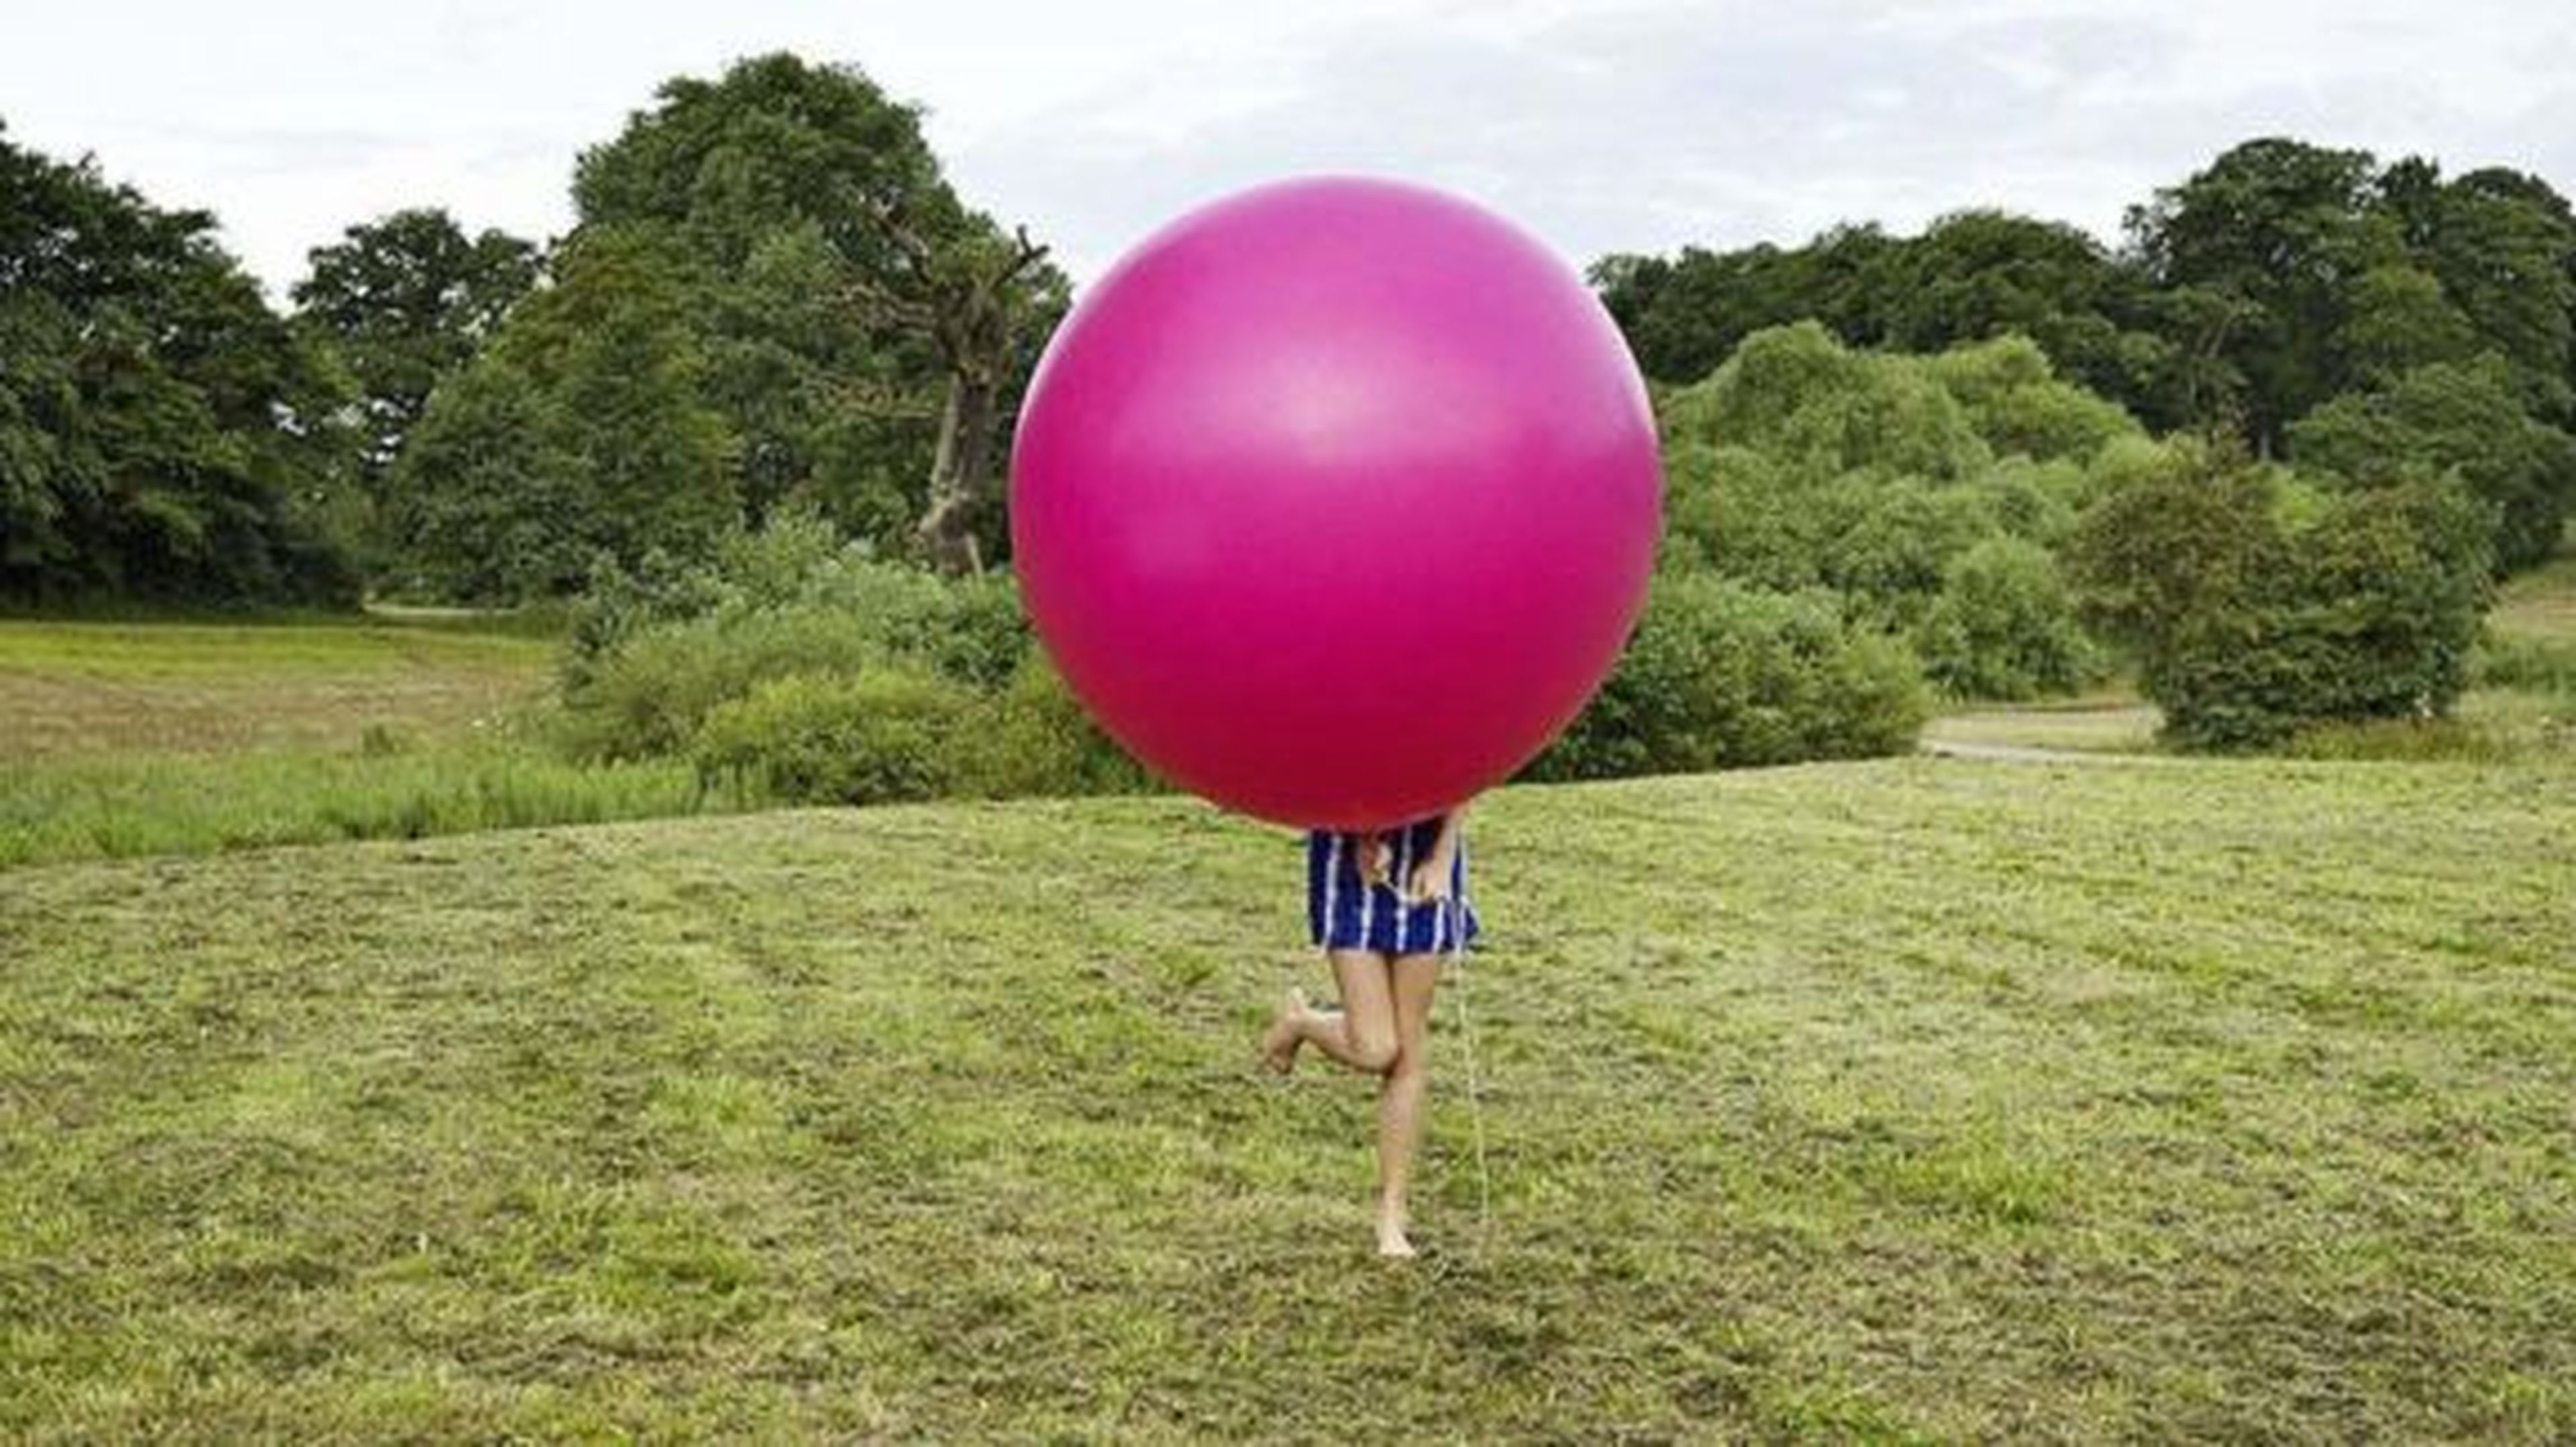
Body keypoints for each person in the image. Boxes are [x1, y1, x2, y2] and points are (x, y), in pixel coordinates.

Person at [1259, 804, 1477, 1258]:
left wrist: (1442, 857)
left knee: (1407, 1051)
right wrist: (1361, 834)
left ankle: (1393, 1211)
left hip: (1428, 860)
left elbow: (1468, 766)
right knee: (1377, 1048)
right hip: (1346, 857)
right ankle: (1303, 1021)